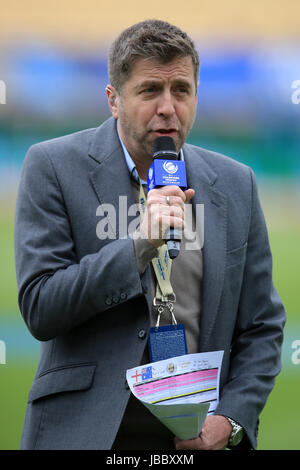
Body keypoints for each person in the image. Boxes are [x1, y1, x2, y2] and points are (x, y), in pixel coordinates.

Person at [15, 19, 286, 450]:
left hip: (192, 441)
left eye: (181, 90)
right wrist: (138, 244)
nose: (167, 107)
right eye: (149, 91)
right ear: (113, 100)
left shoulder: (236, 184)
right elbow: (41, 306)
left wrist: (231, 419)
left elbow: (262, 327)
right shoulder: (53, 166)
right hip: (87, 434)